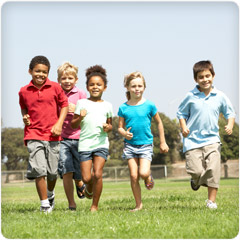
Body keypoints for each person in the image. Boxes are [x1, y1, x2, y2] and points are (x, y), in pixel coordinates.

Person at [177, 60, 235, 209]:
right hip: (192, 141)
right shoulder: (190, 96)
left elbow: (230, 113)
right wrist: (183, 127)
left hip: (212, 140)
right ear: (196, 79)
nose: (205, 79)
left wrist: (229, 124)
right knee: (195, 170)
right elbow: (181, 113)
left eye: (207, 76)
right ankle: (195, 180)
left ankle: (211, 201)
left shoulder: (220, 96)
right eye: (201, 77)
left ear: (213, 76)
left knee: (213, 170)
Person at [18, 55, 68, 213]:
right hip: (33, 134)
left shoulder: (55, 87)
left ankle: (50, 194)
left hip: (53, 135)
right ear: (30, 71)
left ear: (48, 73)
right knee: (39, 169)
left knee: (52, 172)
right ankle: (44, 204)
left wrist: (59, 124)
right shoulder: (23, 91)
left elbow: (65, 105)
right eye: (37, 71)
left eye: (44, 72)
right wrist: (25, 117)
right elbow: (24, 107)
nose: (40, 74)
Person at [118, 71, 169, 212]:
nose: (137, 89)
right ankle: (138, 205)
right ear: (128, 87)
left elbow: (159, 123)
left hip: (146, 144)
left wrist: (163, 142)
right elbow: (120, 128)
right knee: (134, 176)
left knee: (143, 173)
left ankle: (148, 178)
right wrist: (124, 133)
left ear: (144, 87)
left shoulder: (150, 106)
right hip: (129, 146)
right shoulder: (123, 107)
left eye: (140, 86)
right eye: (133, 86)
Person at [71, 65, 113, 212]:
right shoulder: (82, 103)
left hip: (101, 143)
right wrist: (80, 116)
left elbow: (110, 125)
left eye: (99, 85)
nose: (95, 87)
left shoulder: (108, 105)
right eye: (92, 84)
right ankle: (88, 189)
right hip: (85, 145)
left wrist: (108, 128)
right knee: (87, 178)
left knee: (98, 174)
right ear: (87, 87)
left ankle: (94, 205)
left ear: (105, 87)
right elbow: (73, 124)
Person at [57, 62, 87, 211]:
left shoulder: (81, 94)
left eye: (70, 78)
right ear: (59, 80)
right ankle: (71, 203)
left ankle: (79, 182)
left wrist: (77, 109)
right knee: (66, 170)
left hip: (79, 137)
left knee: (80, 171)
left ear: (76, 79)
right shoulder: (56, 93)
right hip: (62, 139)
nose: (67, 81)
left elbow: (87, 113)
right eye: (64, 78)